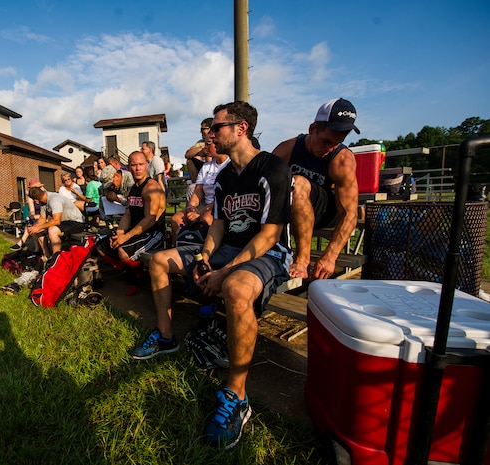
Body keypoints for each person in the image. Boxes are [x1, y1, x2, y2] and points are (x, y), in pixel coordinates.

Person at [131, 101, 292, 449]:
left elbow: (270, 235)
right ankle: (165, 337)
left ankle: (236, 394)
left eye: (217, 127)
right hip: (225, 248)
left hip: (266, 251)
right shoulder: (223, 177)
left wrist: (224, 271)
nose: (210, 134)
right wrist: (205, 256)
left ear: (240, 129)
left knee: (234, 288)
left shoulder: (272, 169)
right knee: (159, 261)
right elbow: (218, 225)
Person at [271, 97, 360, 280]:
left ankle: (302, 260)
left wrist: (330, 257)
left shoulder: (342, 160)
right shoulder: (287, 148)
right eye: (325, 141)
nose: (329, 148)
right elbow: (261, 184)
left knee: (298, 183)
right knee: (288, 185)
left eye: (337, 143)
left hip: (325, 212)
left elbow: (349, 214)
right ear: (312, 129)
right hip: (291, 208)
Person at [96, 151, 166, 296]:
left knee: (122, 251)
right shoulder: (133, 189)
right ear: (128, 167)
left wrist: (125, 237)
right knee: (102, 246)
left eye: (141, 164)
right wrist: (119, 233)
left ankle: (135, 275)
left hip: (153, 233)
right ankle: (134, 269)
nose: (138, 168)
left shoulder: (151, 187)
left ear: (146, 165)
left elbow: (150, 219)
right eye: (134, 165)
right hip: (136, 231)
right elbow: (127, 214)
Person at [168, 140, 229, 245]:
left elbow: (222, 198)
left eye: (208, 144)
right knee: (176, 219)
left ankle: (204, 256)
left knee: (205, 220)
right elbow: (198, 191)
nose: (205, 147)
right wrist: (191, 208)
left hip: (221, 206)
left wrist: (200, 212)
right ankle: (177, 252)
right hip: (205, 205)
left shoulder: (229, 165)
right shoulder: (206, 167)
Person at [27, 186, 85, 258]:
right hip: (63, 222)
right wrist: (35, 227)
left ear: (35, 200)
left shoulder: (54, 199)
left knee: (52, 230)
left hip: (76, 222)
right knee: (39, 230)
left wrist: (38, 227)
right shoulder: (43, 201)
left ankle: (56, 258)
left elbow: (56, 221)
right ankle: (47, 256)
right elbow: (42, 218)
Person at [10, 179, 45, 252]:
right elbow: (32, 210)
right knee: (31, 223)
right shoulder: (31, 197)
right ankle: (36, 248)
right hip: (38, 216)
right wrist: (32, 216)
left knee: (31, 225)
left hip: (45, 216)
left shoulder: (44, 195)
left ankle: (22, 242)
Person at [184, 117, 213, 184]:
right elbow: (187, 154)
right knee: (191, 160)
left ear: (210, 129)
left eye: (203, 129)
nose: (201, 131)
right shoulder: (201, 142)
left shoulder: (218, 139)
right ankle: (197, 184)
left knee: (209, 156)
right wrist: (201, 148)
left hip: (217, 168)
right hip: (205, 168)